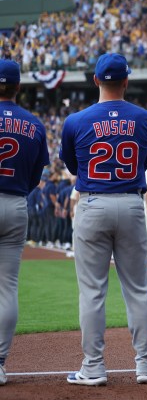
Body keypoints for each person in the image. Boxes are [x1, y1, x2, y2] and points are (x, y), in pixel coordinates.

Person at [60, 53, 147, 386]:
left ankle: (93, 366)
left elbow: (74, 167)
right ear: (127, 81)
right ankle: (145, 365)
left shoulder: (76, 120)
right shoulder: (146, 118)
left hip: (93, 202)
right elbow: (145, 161)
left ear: (96, 80)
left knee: (92, 292)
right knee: (138, 290)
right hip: (131, 202)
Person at [0, 59, 49, 386]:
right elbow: (35, 176)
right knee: (7, 288)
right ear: (18, 87)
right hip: (16, 202)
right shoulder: (33, 123)